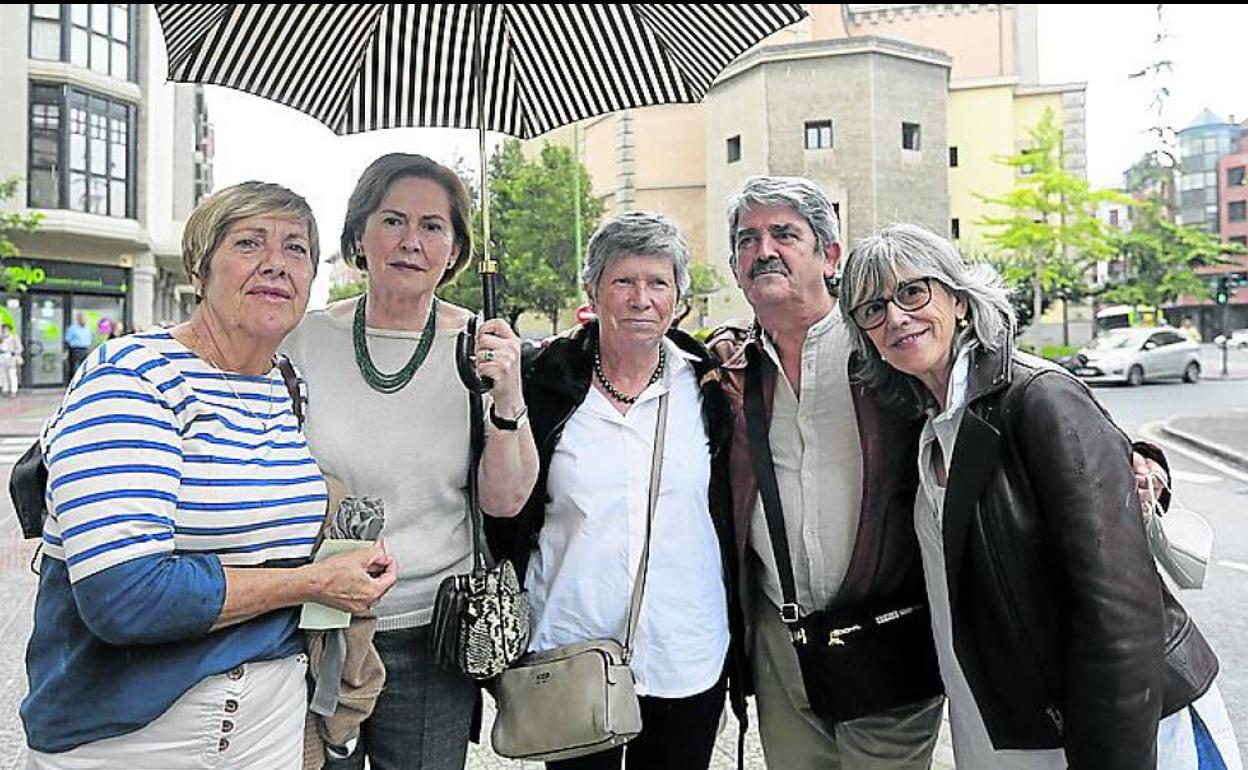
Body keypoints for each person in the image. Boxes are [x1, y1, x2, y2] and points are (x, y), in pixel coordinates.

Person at [21, 181, 398, 768]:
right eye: (249, 243)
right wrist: (313, 582)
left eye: (296, 249)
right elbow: (124, 598)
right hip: (128, 737)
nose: (276, 263)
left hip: (270, 726)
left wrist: (349, 562)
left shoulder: (286, 386)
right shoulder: (133, 378)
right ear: (199, 272)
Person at [839, 222, 1236, 769]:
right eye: (871, 309)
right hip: (1011, 729)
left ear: (957, 299)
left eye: (912, 291)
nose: (895, 317)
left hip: (1124, 731)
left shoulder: (1038, 398)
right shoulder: (927, 425)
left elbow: (1121, 609)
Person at [282, 153, 539, 770]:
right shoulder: (303, 339)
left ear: (455, 251)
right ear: (359, 236)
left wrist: (508, 395)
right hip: (319, 623)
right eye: (392, 220)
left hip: (434, 630)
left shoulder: (484, 348)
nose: (411, 241)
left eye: (433, 227)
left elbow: (503, 501)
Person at [486, 212, 745, 770]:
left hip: (686, 649)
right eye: (623, 281)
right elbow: (501, 507)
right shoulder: (545, 381)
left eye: (658, 283)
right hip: (572, 646)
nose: (641, 298)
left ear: (678, 297)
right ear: (593, 290)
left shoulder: (709, 384)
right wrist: (506, 399)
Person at [709, 176, 945, 770]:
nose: (763, 249)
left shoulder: (886, 348)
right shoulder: (731, 374)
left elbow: (993, 387)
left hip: (886, 635)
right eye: (747, 239)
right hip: (781, 645)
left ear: (830, 255)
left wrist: (1133, 453)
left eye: (785, 234)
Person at [64, 312, 91, 378]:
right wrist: (66, 350)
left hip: (85, 349)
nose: (85, 320)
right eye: (83, 318)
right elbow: (67, 339)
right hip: (75, 350)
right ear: (78, 319)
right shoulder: (73, 328)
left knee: (85, 368)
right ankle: (71, 384)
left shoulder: (87, 328)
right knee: (74, 368)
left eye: (85, 319)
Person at [0, 322, 22, 396]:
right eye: (3, 330)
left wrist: (13, 353)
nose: (4, 331)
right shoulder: (1, 338)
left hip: (10, 358)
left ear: (9, 330)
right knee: (3, 375)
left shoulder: (14, 337)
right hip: (2, 358)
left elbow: (20, 348)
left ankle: (13, 391)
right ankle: (5, 390)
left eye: (6, 329)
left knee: (12, 375)